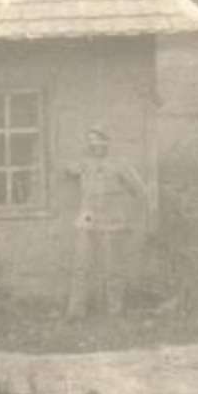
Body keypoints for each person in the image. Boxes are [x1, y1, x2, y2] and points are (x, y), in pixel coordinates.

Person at [63, 126, 149, 318]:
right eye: (91, 142)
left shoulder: (120, 164)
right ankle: (76, 312)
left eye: (99, 141)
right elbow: (68, 170)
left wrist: (129, 213)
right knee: (81, 265)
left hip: (112, 218)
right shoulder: (84, 164)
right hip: (88, 216)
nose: (95, 146)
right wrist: (77, 166)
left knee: (113, 268)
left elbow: (140, 190)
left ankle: (115, 311)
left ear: (107, 143)